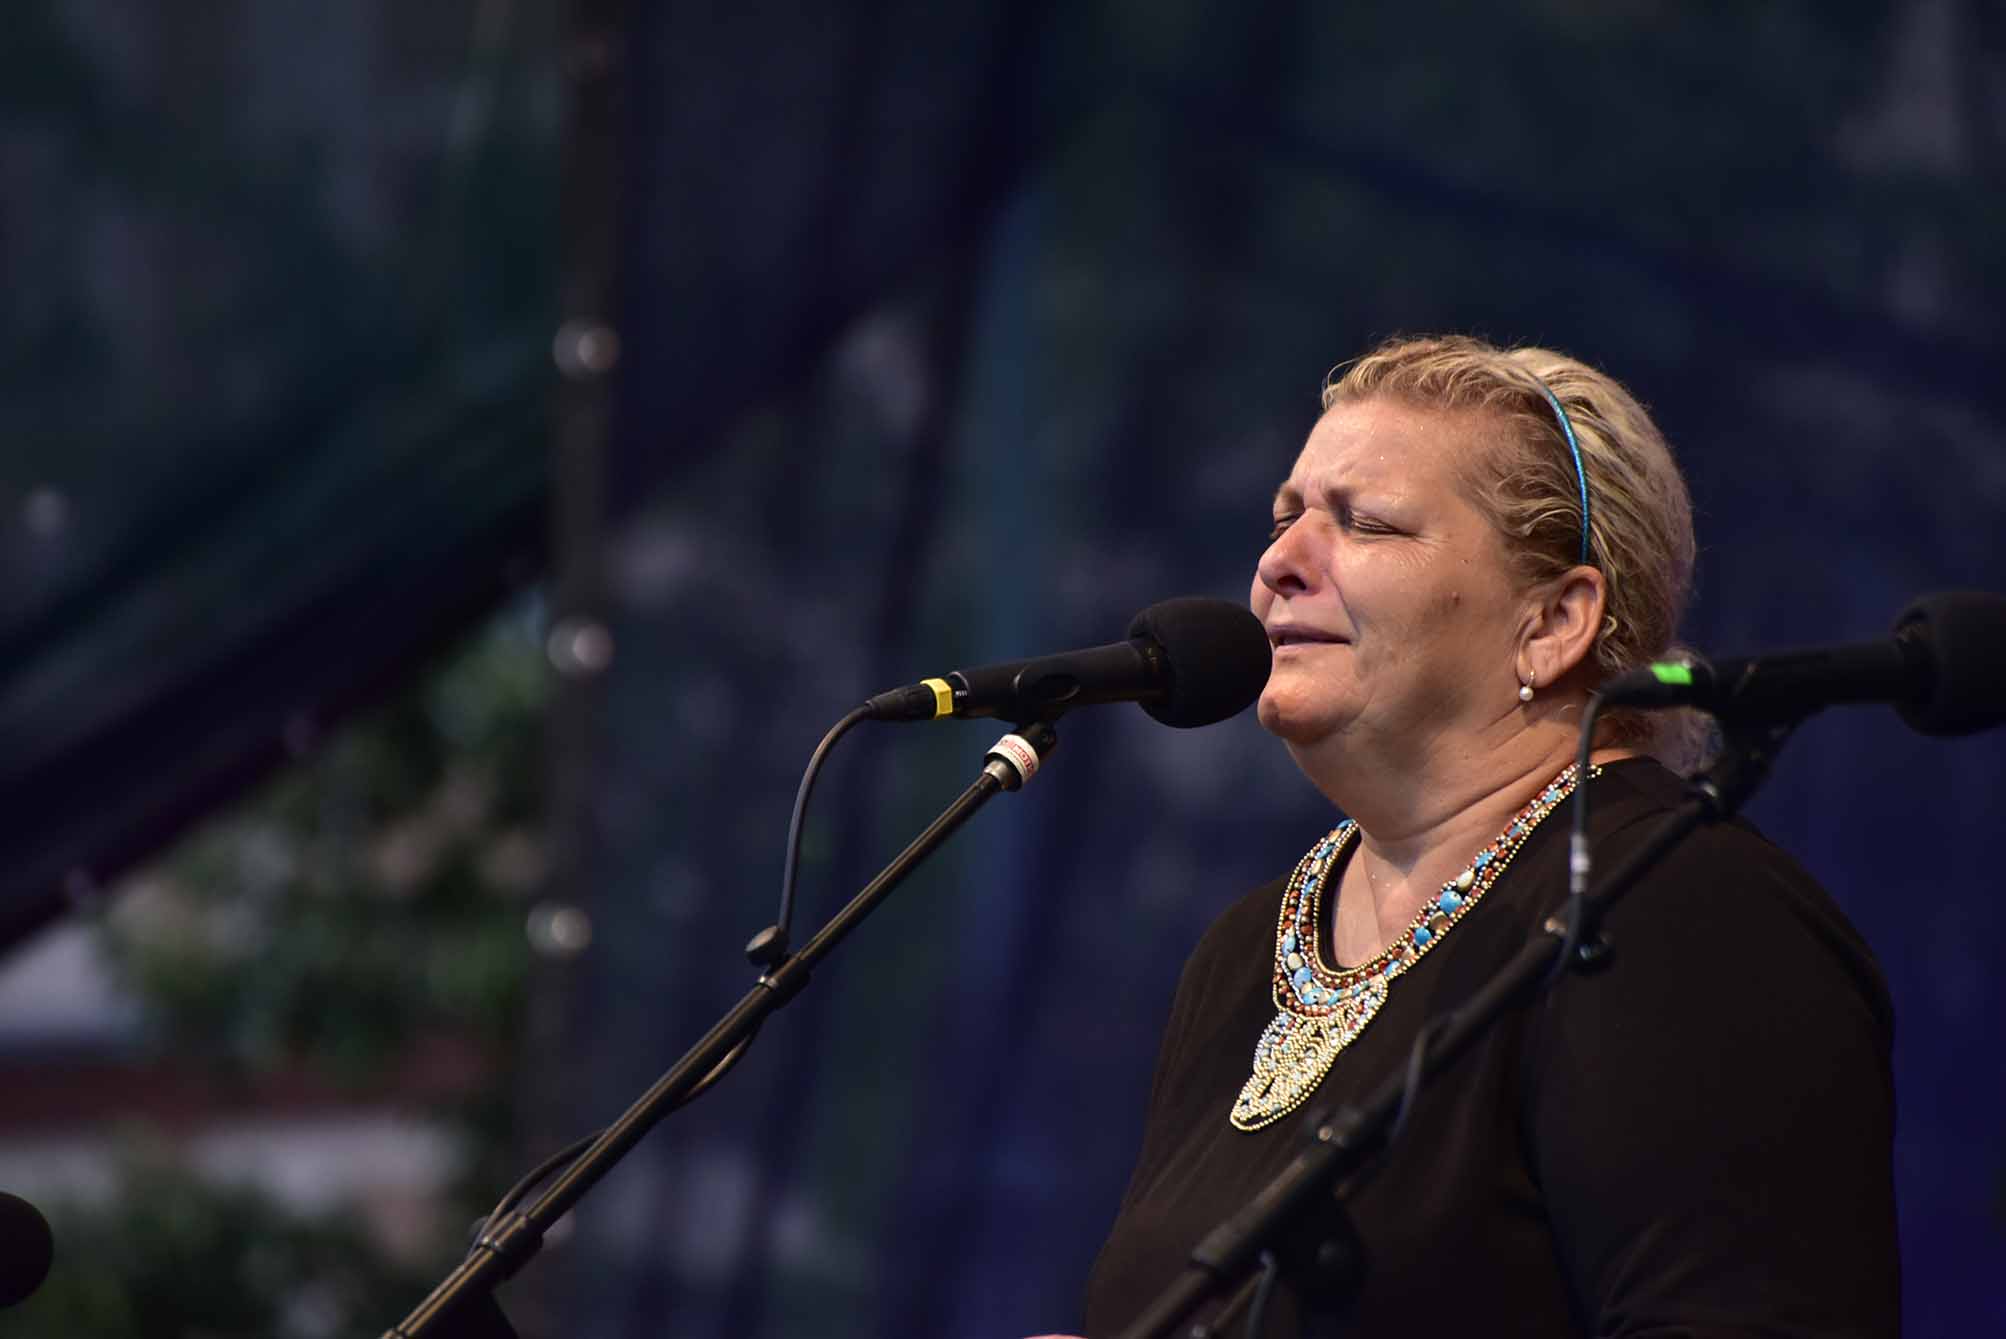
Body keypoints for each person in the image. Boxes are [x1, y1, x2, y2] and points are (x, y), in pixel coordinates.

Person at [1058, 335, 1899, 1337]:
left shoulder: (1680, 911)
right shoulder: (1245, 950)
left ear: (1552, 623)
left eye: (1364, 523)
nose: (1278, 563)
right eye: (1283, 519)